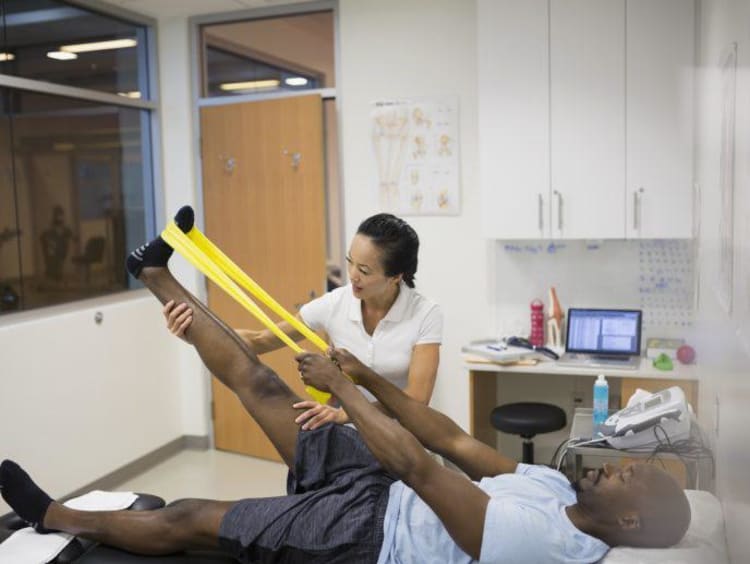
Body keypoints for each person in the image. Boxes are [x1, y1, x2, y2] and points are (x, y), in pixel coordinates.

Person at [0, 208, 691, 563]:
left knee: (192, 513)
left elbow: (423, 460)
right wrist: (353, 378)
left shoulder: (542, 544)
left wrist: (346, 392)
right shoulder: (552, 488)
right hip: (381, 471)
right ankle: (156, 276)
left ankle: (54, 516)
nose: (605, 466)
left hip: (372, 532)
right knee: (262, 387)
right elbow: (450, 438)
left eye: (622, 476)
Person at [163, 212, 442, 430]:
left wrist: (344, 414)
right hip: (350, 434)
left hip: (406, 435)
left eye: (365, 270)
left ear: (396, 276)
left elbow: (417, 398)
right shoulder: (335, 304)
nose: (352, 275)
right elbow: (261, 340)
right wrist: (194, 331)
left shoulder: (424, 314)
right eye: (350, 262)